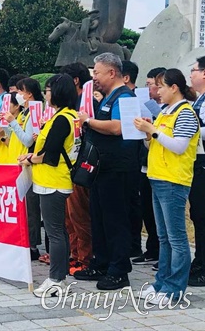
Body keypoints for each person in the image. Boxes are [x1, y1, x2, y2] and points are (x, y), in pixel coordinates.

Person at [75, 53, 140, 291]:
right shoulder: (109, 97)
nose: (95, 78)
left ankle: (119, 270)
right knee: (100, 218)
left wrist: (88, 121)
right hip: (102, 168)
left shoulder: (125, 97)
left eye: (98, 73)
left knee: (115, 220)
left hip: (118, 169)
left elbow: (118, 128)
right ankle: (101, 263)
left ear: (112, 72)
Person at [134, 68, 200, 303]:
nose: (157, 91)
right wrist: (146, 133)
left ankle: (174, 289)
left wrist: (151, 131)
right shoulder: (164, 112)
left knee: (176, 238)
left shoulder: (185, 113)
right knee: (163, 237)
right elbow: (155, 144)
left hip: (174, 180)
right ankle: (161, 282)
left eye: (161, 86)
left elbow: (179, 146)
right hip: (158, 177)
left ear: (174, 88)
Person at [18, 74, 79, 297]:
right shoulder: (67, 116)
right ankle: (59, 278)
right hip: (54, 179)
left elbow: (50, 155)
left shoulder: (62, 119)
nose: (46, 95)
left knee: (55, 233)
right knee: (59, 232)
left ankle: (55, 279)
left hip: (53, 181)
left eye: (49, 90)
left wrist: (29, 158)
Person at [59, 62, 93, 274]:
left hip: (81, 165)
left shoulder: (87, 102)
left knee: (79, 215)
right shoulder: (70, 105)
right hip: (67, 166)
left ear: (75, 81)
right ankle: (74, 254)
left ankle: (85, 258)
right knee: (69, 217)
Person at [132, 67, 167, 268]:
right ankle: (153, 249)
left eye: (152, 85)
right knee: (148, 209)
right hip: (148, 165)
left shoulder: (175, 111)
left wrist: (152, 129)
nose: (152, 90)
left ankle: (163, 256)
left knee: (164, 219)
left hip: (166, 171)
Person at [12, 77, 45, 261]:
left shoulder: (35, 111)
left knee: (32, 207)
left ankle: (33, 245)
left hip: (32, 164)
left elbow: (28, 140)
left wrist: (12, 122)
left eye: (20, 91)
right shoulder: (24, 112)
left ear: (29, 94)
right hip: (22, 162)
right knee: (25, 206)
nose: (17, 95)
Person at [188, 55, 205, 287]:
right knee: (199, 216)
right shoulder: (201, 99)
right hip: (199, 166)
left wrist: (186, 130)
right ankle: (201, 260)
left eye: (194, 70)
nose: (191, 74)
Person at [121, 60, 144, 258]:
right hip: (130, 158)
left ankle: (134, 245)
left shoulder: (132, 98)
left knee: (132, 203)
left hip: (135, 159)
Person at [0, 92, 22, 164]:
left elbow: (12, 145)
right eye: (4, 103)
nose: (4, 106)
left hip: (12, 162)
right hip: (1, 160)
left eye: (7, 103)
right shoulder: (2, 120)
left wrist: (2, 135)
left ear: (17, 106)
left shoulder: (18, 123)